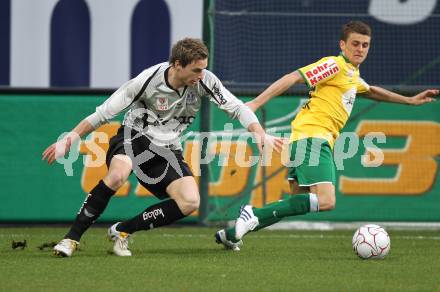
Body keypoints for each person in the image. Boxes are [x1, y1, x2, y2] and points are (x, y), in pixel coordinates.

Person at [42, 38, 283, 257]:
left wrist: (259, 133)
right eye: (196, 69)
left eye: (203, 68)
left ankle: (123, 231)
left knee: (190, 202)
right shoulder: (147, 80)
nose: (201, 74)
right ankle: (71, 239)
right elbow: (103, 114)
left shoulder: (205, 81)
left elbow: (238, 107)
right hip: (133, 136)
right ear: (178, 64)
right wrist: (70, 139)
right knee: (117, 175)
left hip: (167, 147)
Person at [215, 21, 438, 249]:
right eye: (355, 44)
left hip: (304, 138)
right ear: (343, 44)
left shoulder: (351, 74)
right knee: (326, 200)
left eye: (365, 45)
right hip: (314, 137)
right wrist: (255, 103)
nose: (360, 49)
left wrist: (410, 101)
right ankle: (251, 213)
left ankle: (232, 233)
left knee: (295, 202)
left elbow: (370, 90)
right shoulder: (335, 65)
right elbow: (294, 77)